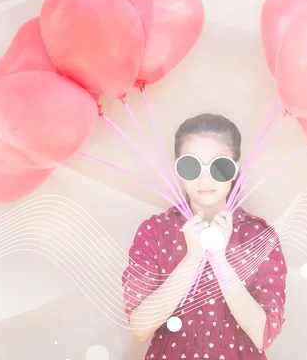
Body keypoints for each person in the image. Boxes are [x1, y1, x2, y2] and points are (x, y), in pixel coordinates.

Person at [122, 113, 288, 359]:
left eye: (219, 166)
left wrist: (220, 259)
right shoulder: (154, 231)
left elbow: (264, 334)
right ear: (178, 169)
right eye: (191, 166)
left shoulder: (260, 235)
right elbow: (139, 328)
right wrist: (192, 258)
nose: (205, 178)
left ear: (235, 170)